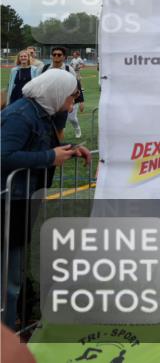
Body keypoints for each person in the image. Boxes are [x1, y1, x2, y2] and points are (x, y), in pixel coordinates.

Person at [1, 69, 91, 328]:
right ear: (55, 92)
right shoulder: (21, 115)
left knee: (13, 274)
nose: (71, 104)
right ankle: (7, 340)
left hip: (20, 200)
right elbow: (3, 156)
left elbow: (38, 147)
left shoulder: (38, 112)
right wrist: (50, 158)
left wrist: (71, 151)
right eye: (69, 98)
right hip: (9, 203)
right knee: (9, 279)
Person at [41, 47, 83, 139]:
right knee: (45, 127)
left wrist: (72, 102)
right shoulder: (44, 68)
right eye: (54, 54)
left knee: (59, 129)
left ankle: (59, 148)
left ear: (64, 57)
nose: (56, 56)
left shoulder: (68, 69)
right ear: (51, 56)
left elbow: (75, 86)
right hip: (46, 103)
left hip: (63, 104)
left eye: (59, 55)